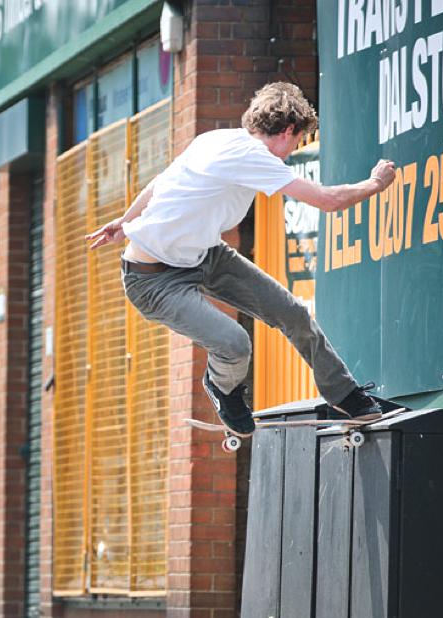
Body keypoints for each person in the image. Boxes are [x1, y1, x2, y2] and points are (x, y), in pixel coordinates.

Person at [86, 82, 394, 436]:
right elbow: (328, 201)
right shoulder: (255, 156)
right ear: (288, 131)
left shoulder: (215, 139)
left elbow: (160, 183)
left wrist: (125, 222)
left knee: (292, 313)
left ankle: (345, 394)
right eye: (295, 143)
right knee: (234, 344)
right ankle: (221, 386)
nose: (290, 153)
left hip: (203, 255)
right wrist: (375, 183)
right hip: (153, 280)